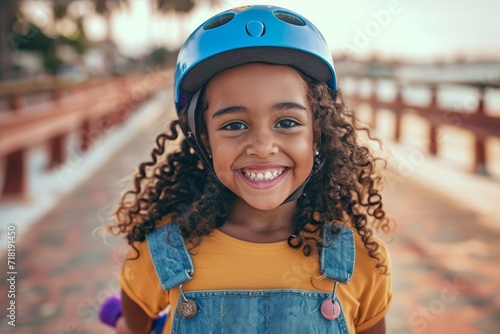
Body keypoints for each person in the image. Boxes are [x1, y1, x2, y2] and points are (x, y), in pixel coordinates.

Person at [108, 5, 393, 334]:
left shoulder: (363, 259)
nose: (261, 146)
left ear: (317, 132)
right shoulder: (162, 251)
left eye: (286, 122)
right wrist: (122, 321)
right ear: (205, 140)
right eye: (234, 125)